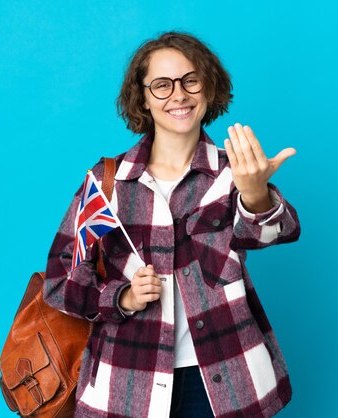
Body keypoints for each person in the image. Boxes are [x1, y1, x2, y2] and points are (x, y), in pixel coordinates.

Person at [44, 31, 300, 418]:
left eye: (190, 80)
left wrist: (255, 195)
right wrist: (121, 297)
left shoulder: (233, 172)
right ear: (143, 97)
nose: (178, 95)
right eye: (162, 85)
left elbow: (279, 231)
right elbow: (59, 282)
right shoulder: (108, 181)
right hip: (129, 383)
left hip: (226, 377)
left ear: (208, 87)